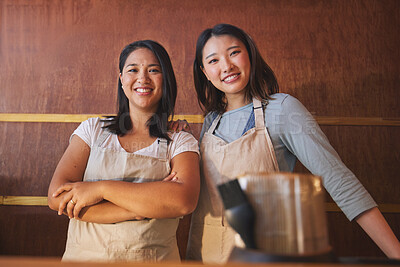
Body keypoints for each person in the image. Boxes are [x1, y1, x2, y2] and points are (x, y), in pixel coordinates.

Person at [183, 23, 400, 263]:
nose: (226, 66)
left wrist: (396, 254)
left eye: (234, 52)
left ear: (250, 55)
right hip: (205, 255)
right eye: (213, 61)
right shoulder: (211, 121)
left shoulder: (282, 109)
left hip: (266, 255)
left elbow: (339, 181)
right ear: (204, 72)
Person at [47, 40, 200, 262]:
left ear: (165, 79)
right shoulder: (92, 129)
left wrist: (99, 190)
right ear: (121, 79)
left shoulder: (180, 140)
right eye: (133, 70)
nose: (143, 78)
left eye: (154, 70)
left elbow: (183, 201)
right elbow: (58, 197)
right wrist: (141, 209)